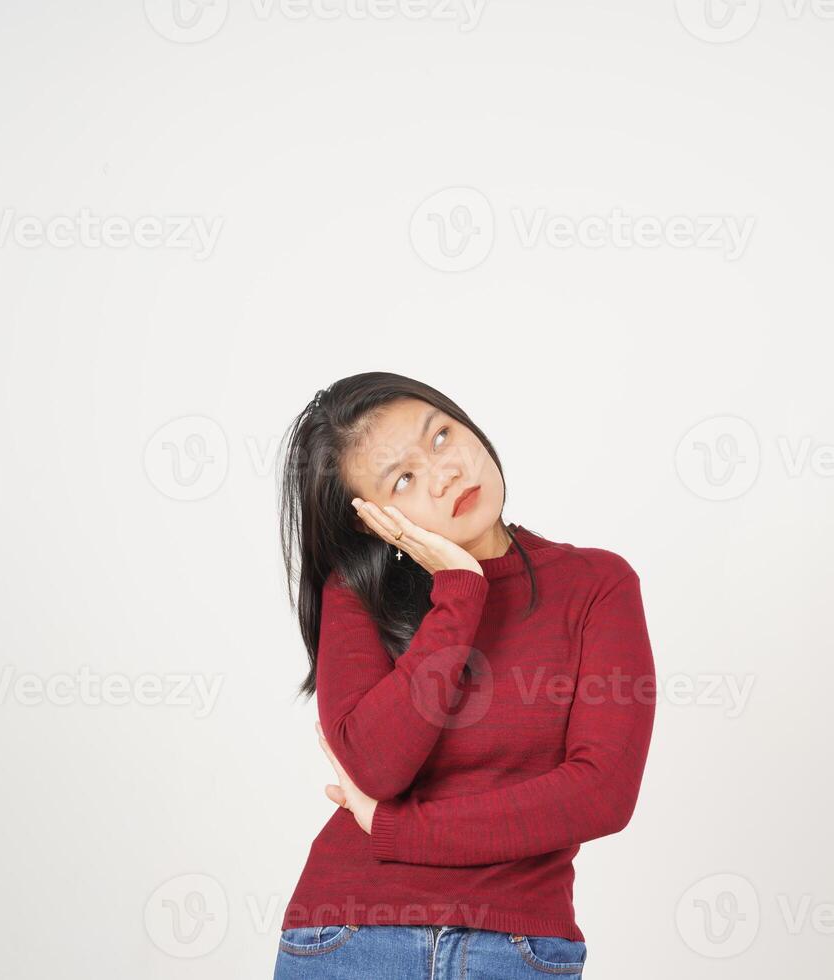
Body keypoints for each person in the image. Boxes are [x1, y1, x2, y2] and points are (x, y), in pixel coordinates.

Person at [273, 371, 656, 978]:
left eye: (442, 436)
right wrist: (458, 592)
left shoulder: (596, 586)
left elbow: (600, 794)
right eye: (403, 478)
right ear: (370, 519)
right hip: (352, 935)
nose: (444, 472)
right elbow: (377, 766)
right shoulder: (356, 594)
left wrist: (400, 831)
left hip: (519, 946)